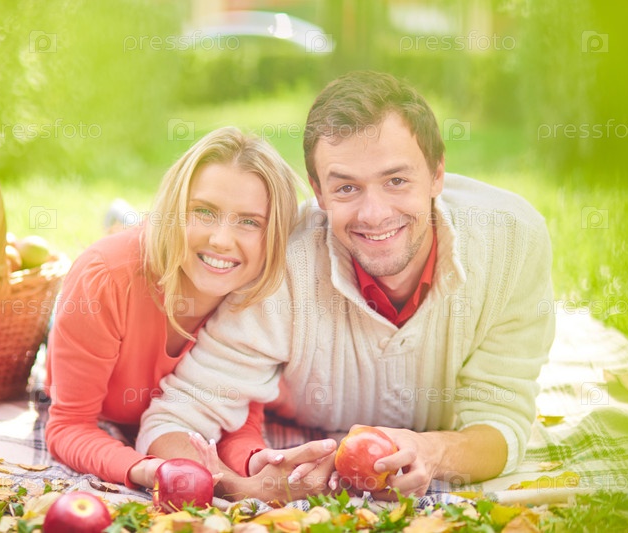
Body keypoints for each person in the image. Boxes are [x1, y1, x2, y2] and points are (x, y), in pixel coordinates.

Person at [137, 71, 556, 501]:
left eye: (396, 181)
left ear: (437, 173)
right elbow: (172, 421)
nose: (374, 214)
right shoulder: (285, 262)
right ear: (319, 194)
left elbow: (502, 423)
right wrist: (239, 487)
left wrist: (432, 451)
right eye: (347, 188)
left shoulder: (514, 242)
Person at [44, 126, 302, 489]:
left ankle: (127, 217)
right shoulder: (102, 280)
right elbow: (69, 426)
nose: (222, 240)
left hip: (173, 261)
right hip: (87, 304)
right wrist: (145, 469)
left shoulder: (257, 297)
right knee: (120, 253)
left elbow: (235, 423)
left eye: (249, 221)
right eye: (204, 212)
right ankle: (121, 219)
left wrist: (257, 461)